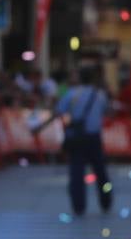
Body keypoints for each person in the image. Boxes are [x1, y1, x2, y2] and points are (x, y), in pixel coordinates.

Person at [35, 64, 112, 216]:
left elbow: (57, 113)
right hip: (94, 138)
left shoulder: (71, 94)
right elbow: (107, 111)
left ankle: (78, 206)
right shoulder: (100, 95)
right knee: (101, 173)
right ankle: (106, 201)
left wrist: (39, 127)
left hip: (77, 137)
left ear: (79, 78)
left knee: (77, 173)